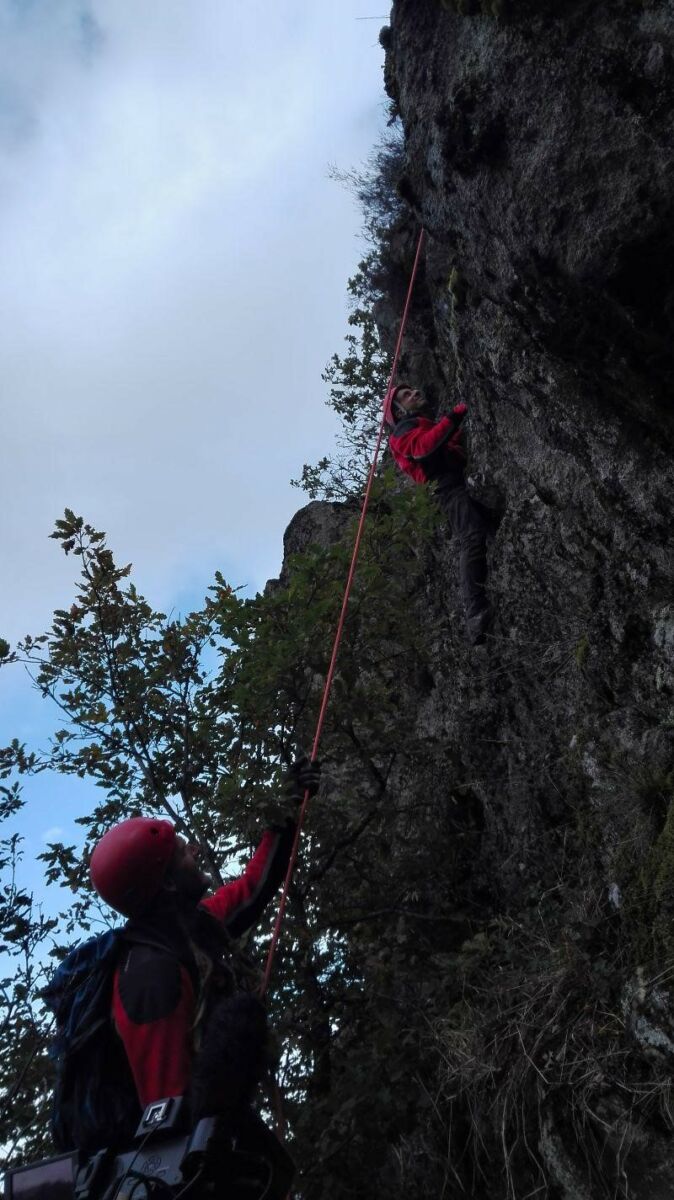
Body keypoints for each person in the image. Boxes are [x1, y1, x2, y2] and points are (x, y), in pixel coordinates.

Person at [87, 756, 321, 1147]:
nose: (194, 850)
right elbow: (165, 1115)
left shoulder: (190, 926)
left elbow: (252, 889)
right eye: (181, 853)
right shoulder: (149, 978)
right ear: (167, 886)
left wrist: (288, 804)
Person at [384, 383, 492, 646]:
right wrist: (454, 417)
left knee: (486, 523)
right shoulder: (402, 431)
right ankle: (475, 613)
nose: (415, 393)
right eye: (405, 396)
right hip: (445, 488)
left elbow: (440, 445)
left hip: (451, 482)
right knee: (472, 537)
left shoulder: (420, 423)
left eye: (413, 389)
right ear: (397, 411)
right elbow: (423, 448)